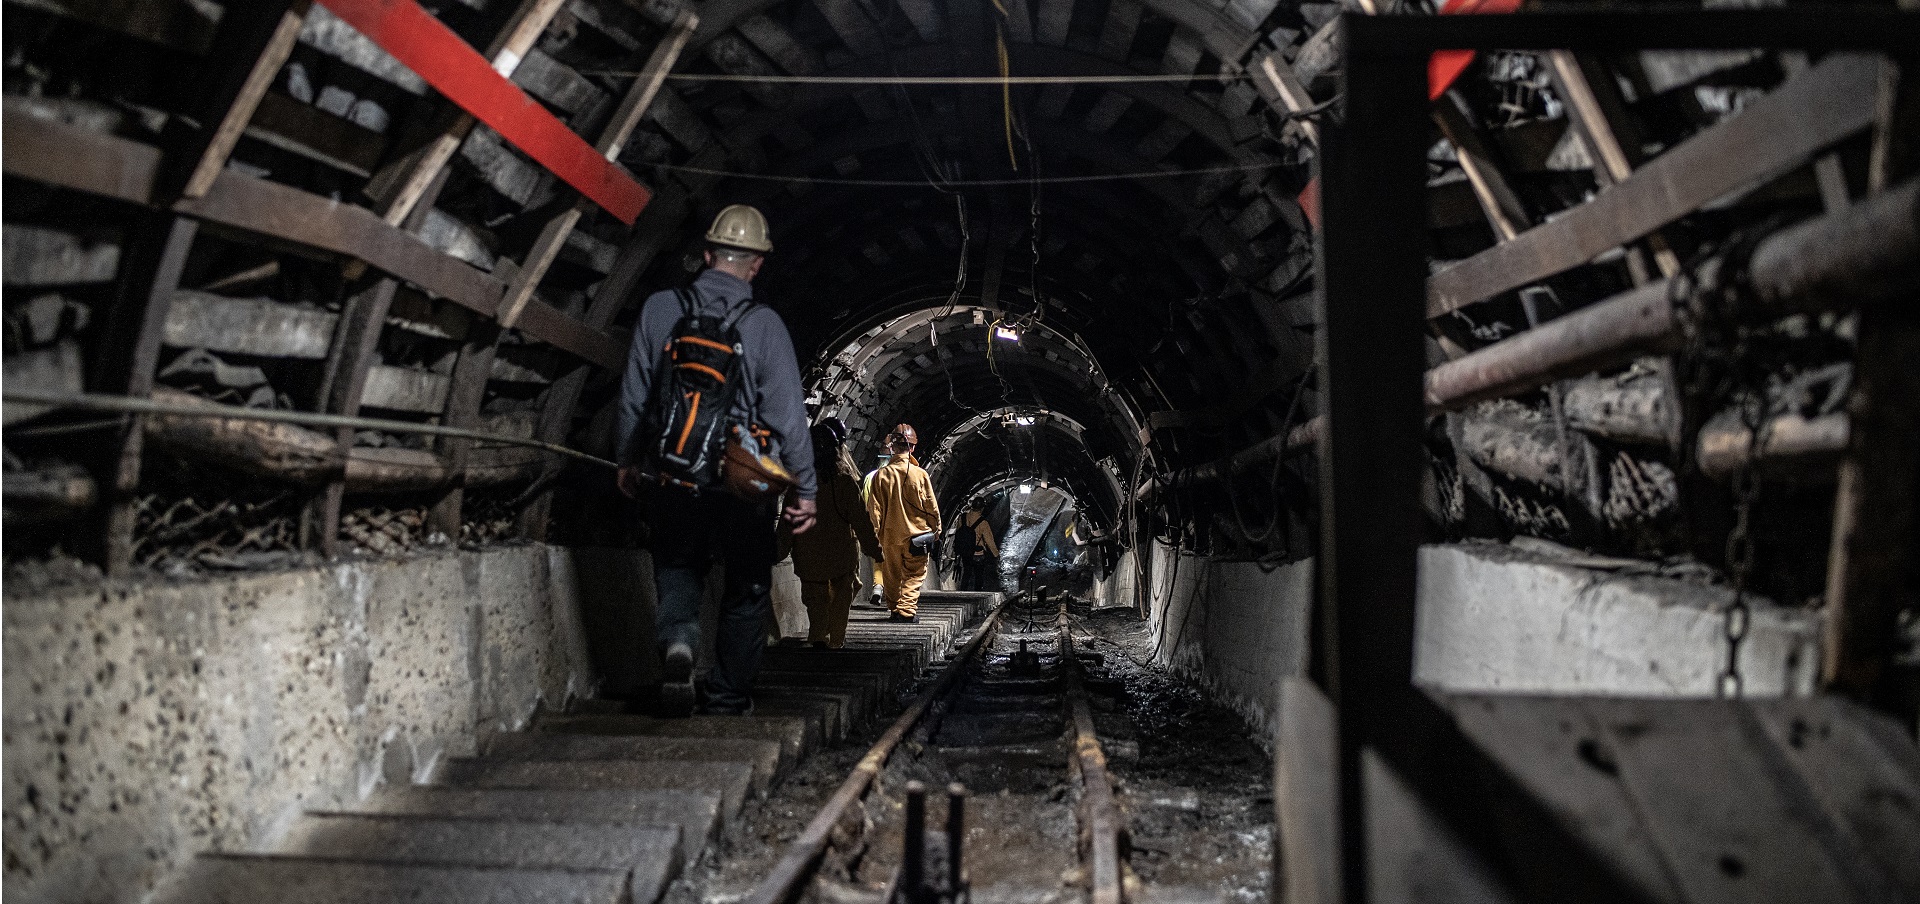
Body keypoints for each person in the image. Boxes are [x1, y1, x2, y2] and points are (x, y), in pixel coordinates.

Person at [614, 204, 817, 716]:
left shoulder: (662, 309)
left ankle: (680, 641)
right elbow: (789, 416)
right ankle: (727, 695)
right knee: (747, 588)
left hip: (672, 474)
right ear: (756, 265)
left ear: (706, 255)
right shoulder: (765, 325)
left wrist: (628, 458)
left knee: (678, 568)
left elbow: (636, 393)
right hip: (740, 485)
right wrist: (806, 490)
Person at [779, 419, 882, 648]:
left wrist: (777, 551)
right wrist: (874, 549)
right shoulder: (844, 483)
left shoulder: (797, 487)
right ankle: (836, 641)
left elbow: (787, 524)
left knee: (815, 602)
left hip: (808, 556)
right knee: (841, 600)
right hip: (840, 556)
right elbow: (861, 520)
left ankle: (818, 637)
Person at [866, 423, 940, 622]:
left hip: (890, 536)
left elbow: (875, 509)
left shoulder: (880, 475)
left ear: (893, 447)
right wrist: (936, 528)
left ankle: (894, 609)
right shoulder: (920, 474)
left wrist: (874, 536)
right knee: (914, 575)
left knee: (891, 575)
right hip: (917, 536)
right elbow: (931, 506)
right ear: (913, 447)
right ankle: (906, 611)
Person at [958, 507, 999, 591]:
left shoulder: (962, 517)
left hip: (965, 552)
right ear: (982, 508)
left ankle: (962, 591)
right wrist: (996, 554)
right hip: (977, 553)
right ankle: (977, 592)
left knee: (967, 572)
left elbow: (959, 534)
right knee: (979, 575)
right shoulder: (983, 522)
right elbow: (989, 540)